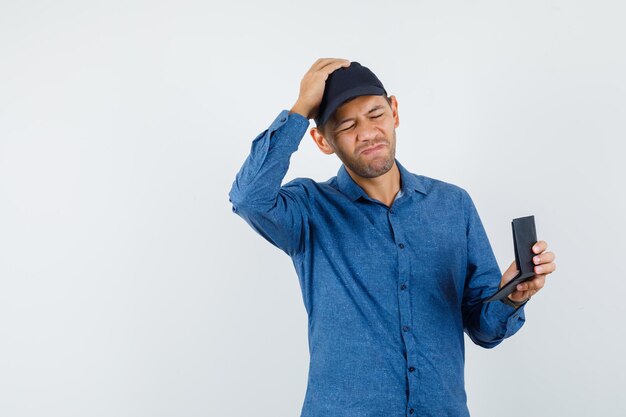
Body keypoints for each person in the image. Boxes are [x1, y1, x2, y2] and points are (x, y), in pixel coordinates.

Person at [228, 58, 557, 417]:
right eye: (348, 125)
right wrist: (301, 108)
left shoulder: (453, 204)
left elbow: (485, 329)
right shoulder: (309, 209)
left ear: (395, 111)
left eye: (375, 114)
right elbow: (248, 198)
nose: (368, 132)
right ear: (322, 141)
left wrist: (511, 297)